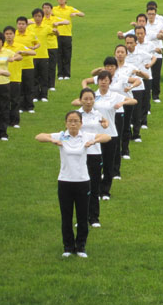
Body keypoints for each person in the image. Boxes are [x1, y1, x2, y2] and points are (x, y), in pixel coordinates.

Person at [35, 111, 110, 258]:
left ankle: (81, 246)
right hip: (65, 181)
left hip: (82, 181)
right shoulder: (61, 136)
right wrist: (52, 140)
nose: (73, 124)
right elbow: (39, 136)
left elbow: (106, 137)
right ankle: (68, 247)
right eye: (70, 121)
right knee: (66, 216)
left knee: (82, 217)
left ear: (81, 123)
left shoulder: (86, 136)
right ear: (66, 123)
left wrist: (93, 142)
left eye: (76, 121)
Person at [73, 71, 137, 200]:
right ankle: (93, 191)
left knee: (108, 164)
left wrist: (122, 103)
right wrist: (85, 102)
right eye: (101, 80)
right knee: (94, 165)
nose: (103, 82)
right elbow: (75, 102)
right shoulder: (92, 96)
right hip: (94, 136)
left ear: (109, 82)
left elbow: (134, 100)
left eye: (106, 80)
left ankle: (105, 191)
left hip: (110, 134)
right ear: (97, 82)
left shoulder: (114, 96)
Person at [77, 88, 109, 228]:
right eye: (86, 99)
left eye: (91, 99)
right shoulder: (76, 115)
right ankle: (81, 219)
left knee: (94, 187)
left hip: (95, 153)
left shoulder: (98, 114)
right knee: (80, 188)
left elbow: (105, 127)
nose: (88, 102)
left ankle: (94, 217)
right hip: (80, 154)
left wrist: (105, 124)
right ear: (80, 100)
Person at [0, 31, 21, 141]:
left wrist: (13, 58)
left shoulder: (7, 52)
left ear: (2, 42)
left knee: (4, 108)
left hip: (4, 84)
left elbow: (19, 56)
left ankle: (4, 132)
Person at [3, 25, 34, 129]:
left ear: (14, 35)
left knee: (15, 100)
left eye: (10, 34)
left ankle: (15, 121)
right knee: (4, 102)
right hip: (2, 79)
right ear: (4, 35)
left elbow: (33, 52)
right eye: (6, 34)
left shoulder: (19, 46)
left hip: (15, 77)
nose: (8, 36)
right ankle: (5, 121)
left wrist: (23, 52)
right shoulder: (1, 48)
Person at [53, 0, 85, 81]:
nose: (61, 0)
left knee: (67, 55)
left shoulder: (70, 9)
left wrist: (76, 14)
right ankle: (60, 74)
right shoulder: (54, 9)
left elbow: (82, 14)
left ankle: (67, 74)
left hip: (67, 35)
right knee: (58, 55)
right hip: (57, 35)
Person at [40, 2, 69, 91]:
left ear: (51, 9)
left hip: (52, 45)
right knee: (42, 67)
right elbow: (28, 21)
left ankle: (51, 85)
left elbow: (67, 21)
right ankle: (43, 84)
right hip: (42, 46)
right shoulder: (40, 19)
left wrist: (58, 23)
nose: (46, 9)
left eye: (48, 8)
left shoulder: (54, 18)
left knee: (52, 66)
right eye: (44, 8)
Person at [14, 16, 39, 113]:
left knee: (28, 86)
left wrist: (33, 47)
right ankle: (20, 106)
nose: (21, 26)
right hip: (16, 65)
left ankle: (29, 106)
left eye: (23, 24)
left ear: (26, 25)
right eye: (19, 24)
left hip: (28, 64)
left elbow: (38, 43)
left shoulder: (31, 34)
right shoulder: (13, 35)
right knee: (19, 87)